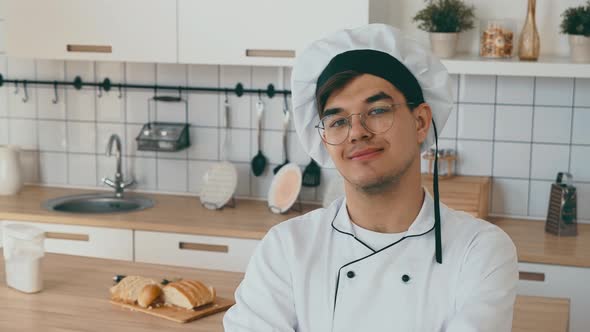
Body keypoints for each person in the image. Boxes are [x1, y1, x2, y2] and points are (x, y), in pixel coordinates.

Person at [223, 24, 518, 332]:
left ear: (420, 122)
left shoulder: (479, 250)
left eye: (377, 111)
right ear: (325, 140)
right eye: (337, 120)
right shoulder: (287, 247)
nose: (357, 132)